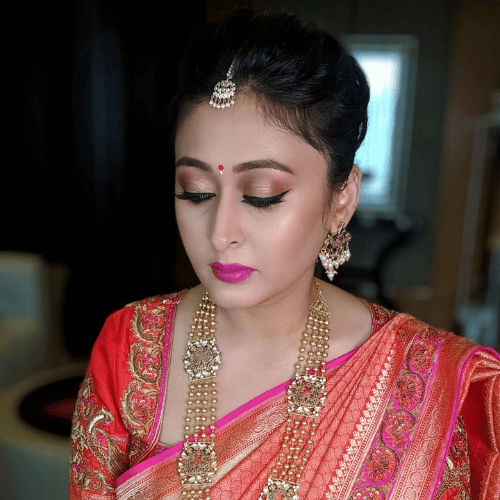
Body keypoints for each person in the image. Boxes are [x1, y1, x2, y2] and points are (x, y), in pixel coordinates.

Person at [69, 9, 500, 500]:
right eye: (196, 192)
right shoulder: (128, 345)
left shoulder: (442, 385)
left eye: (263, 195)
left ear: (342, 198)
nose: (221, 233)